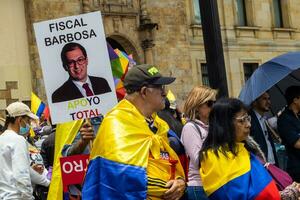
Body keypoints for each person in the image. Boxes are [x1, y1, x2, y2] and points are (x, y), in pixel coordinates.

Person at [82, 64, 186, 200]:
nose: (164, 93)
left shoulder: (159, 124)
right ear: (144, 92)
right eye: (159, 87)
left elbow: (168, 161)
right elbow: (120, 175)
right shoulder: (116, 122)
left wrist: (180, 182)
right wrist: (167, 188)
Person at [199, 98, 300, 199]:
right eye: (242, 120)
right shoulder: (215, 157)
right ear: (224, 124)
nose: (248, 125)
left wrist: (283, 194)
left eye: (248, 118)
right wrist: (284, 195)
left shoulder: (241, 148)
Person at [180, 86, 217, 200]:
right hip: (198, 186)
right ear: (197, 106)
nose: (214, 107)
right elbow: (198, 160)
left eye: (215, 103)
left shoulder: (211, 127)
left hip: (212, 184)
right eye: (210, 103)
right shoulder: (191, 127)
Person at [0, 101, 38, 199]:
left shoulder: (2, 139)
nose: (29, 125)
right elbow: (22, 174)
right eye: (28, 121)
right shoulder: (18, 140)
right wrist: (28, 197)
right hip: (16, 196)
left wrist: (46, 182)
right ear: (19, 120)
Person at [278, 86, 300, 182]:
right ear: (295, 100)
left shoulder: (298, 116)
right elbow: (297, 144)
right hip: (297, 168)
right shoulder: (284, 119)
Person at [249, 92, 278, 165]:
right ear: (255, 102)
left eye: (269, 99)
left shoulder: (263, 119)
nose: (268, 102)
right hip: (260, 165)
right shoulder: (249, 119)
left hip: (271, 163)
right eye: (264, 99)